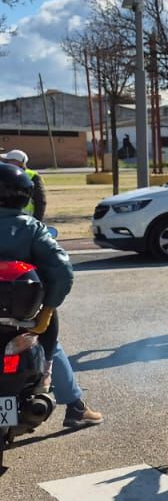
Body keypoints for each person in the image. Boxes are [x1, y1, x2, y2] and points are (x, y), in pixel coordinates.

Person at [0, 162, 100, 431]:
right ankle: (75, 407)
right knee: (50, 345)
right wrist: (48, 307)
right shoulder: (32, 228)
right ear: (25, 195)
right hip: (25, 315)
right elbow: (62, 271)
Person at [2, 150, 46, 221]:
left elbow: (40, 202)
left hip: (26, 220)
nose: (5, 163)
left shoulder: (33, 177)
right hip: (7, 218)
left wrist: (37, 221)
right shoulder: (6, 175)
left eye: (8, 161)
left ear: (18, 162)